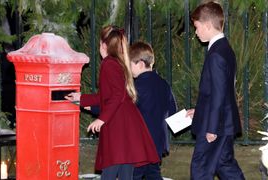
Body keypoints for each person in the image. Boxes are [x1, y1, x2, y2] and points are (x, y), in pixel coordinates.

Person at [65, 25, 159, 180]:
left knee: (110, 171)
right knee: (124, 172)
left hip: (118, 126)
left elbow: (116, 95)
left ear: (103, 45)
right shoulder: (119, 63)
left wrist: (101, 119)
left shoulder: (108, 63)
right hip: (127, 124)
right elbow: (106, 96)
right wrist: (81, 98)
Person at [186, 1, 245, 179]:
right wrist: (199, 111)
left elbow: (219, 94)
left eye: (196, 27)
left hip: (215, 125)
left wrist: (211, 127)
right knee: (224, 164)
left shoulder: (217, 54)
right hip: (223, 121)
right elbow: (220, 91)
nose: (195, 32)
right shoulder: (225, 49)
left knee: (201, 168)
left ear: (207, 25)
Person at [129, 41, 177, 180]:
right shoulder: (164, 84)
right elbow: (173, 112)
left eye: (130, 64)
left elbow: (123, 110)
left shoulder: (136, 87)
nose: (128, 69)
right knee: (153, 174)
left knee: (133, 175)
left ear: (140, 64)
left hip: (138, 145)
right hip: (157, 144)